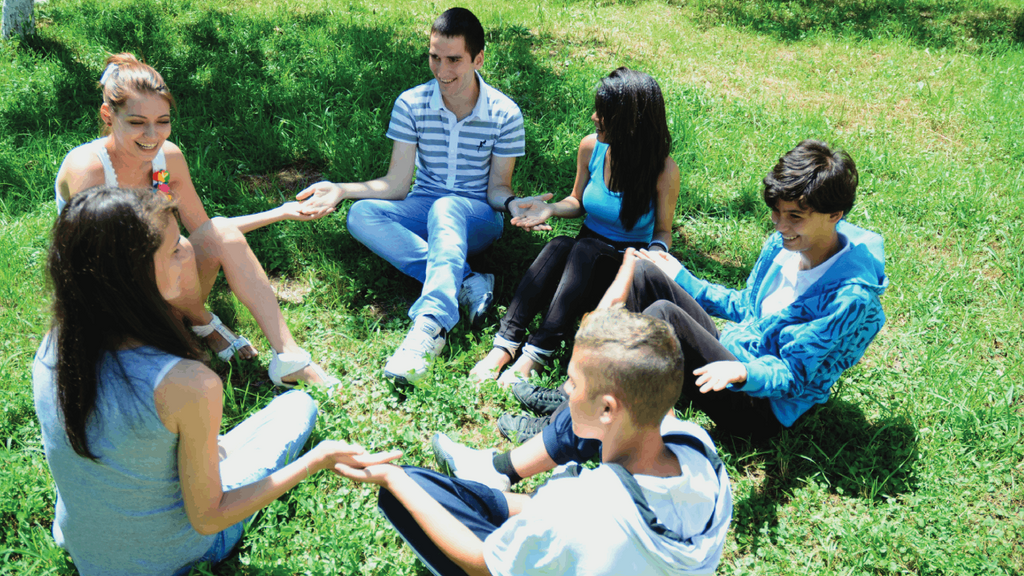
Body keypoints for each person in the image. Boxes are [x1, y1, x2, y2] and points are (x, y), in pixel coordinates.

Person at [33, 187, 402, 576]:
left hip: (82, 543)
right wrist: (318, 459)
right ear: (135, 278)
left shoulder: (54, 345)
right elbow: (209, 519)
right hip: (166, 557)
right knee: (298, 406)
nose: (189, 252)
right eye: (175, 248)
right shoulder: (186, 382)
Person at [502, 139, 888, 441]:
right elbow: (746, 307)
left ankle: (575, 425)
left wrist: (743, 371)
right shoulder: (784, 246)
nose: (780, 225)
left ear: (835, 215)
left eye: (794, 217)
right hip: (731, 351)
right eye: (776, 212)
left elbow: (796, 376)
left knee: (661, 318)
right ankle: (587, 397)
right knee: (644, 276)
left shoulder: (849, 298)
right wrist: (683, 279)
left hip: (759, 402)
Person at [333, 308, 732, 576]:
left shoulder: (578, 508)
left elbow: (479, 562)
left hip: (589, 536)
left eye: (573, 382)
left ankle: (453, 488)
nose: (564, 388)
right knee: (476, 497)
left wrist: (392, 479)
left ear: (608, 410)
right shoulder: (698, 451)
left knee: (412, 490)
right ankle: (491, 490)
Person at [295, 8, 545, 385]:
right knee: (360, 215)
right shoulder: (411, 103)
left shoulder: (505, 113)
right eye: (434, 57)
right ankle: (466, 280)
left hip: (476, 216)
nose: (442, 70)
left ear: (478, 59)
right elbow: (397, 185)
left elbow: (497, 188)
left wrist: (512, 205)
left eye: (454, 60)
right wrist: (342, 190)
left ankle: (431, 328)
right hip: (424, 204)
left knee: (447, 207)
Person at [54, 53, 335, 387]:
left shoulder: (167, 158)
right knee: (178, 250)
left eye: (162, 120)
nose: (152, 134)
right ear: (108, 115)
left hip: (166, 281)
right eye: (136, 122)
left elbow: (209, 230)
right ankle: (197, 323)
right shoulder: (89, 168)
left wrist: (281, 211)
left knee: (211, 236)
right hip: (109, 296)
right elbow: (100, 267)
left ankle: (287, 357)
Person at [468, 67, 680, 403]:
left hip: (622, 270)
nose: (595, 117)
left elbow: (663, 230)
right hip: (581, 267)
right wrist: (551, 209)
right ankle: (505, 344)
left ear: (630, 121)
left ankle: (537, 353)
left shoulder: (663, 169)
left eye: (605, 113)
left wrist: (654, 255)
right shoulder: (591, 147)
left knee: (584, 249)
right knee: (560, 245)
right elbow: (578, 200)